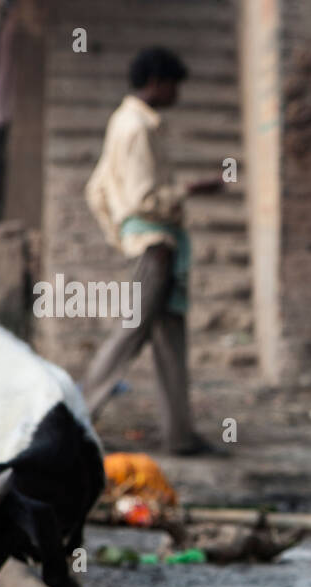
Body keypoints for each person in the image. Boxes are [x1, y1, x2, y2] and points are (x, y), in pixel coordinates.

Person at [81, 46, 223, 456]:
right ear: (158, 83)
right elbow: (144, 200)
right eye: (174, 86)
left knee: (170, 342)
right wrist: (191, 191)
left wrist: (121, 233)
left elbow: (98, 189)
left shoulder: (123, 122)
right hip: (156, 246)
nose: (176, 95)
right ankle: (78, 416)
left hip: (156, 244)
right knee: (130, 333)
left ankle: (180, 435)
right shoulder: (138, 128)